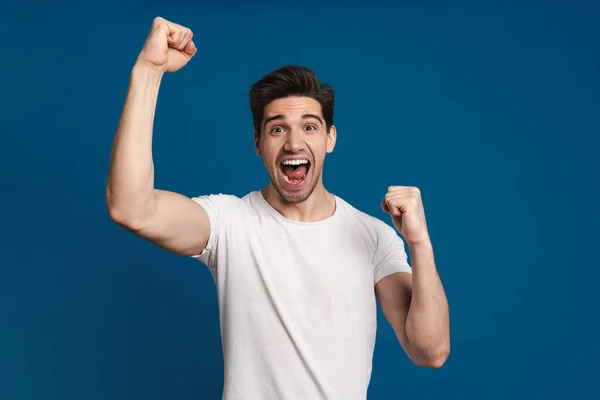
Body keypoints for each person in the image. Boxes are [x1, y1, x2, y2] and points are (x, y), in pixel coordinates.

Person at [106, 17, 450, 400]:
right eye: (277, 129)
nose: (293, 143)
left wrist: (420, 244)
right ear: (258, 143)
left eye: (309, 127)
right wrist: (149, 71)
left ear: (330, 138)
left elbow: (430, 351)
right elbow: (131, 209)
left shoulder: (373, 237)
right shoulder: (229, 223)